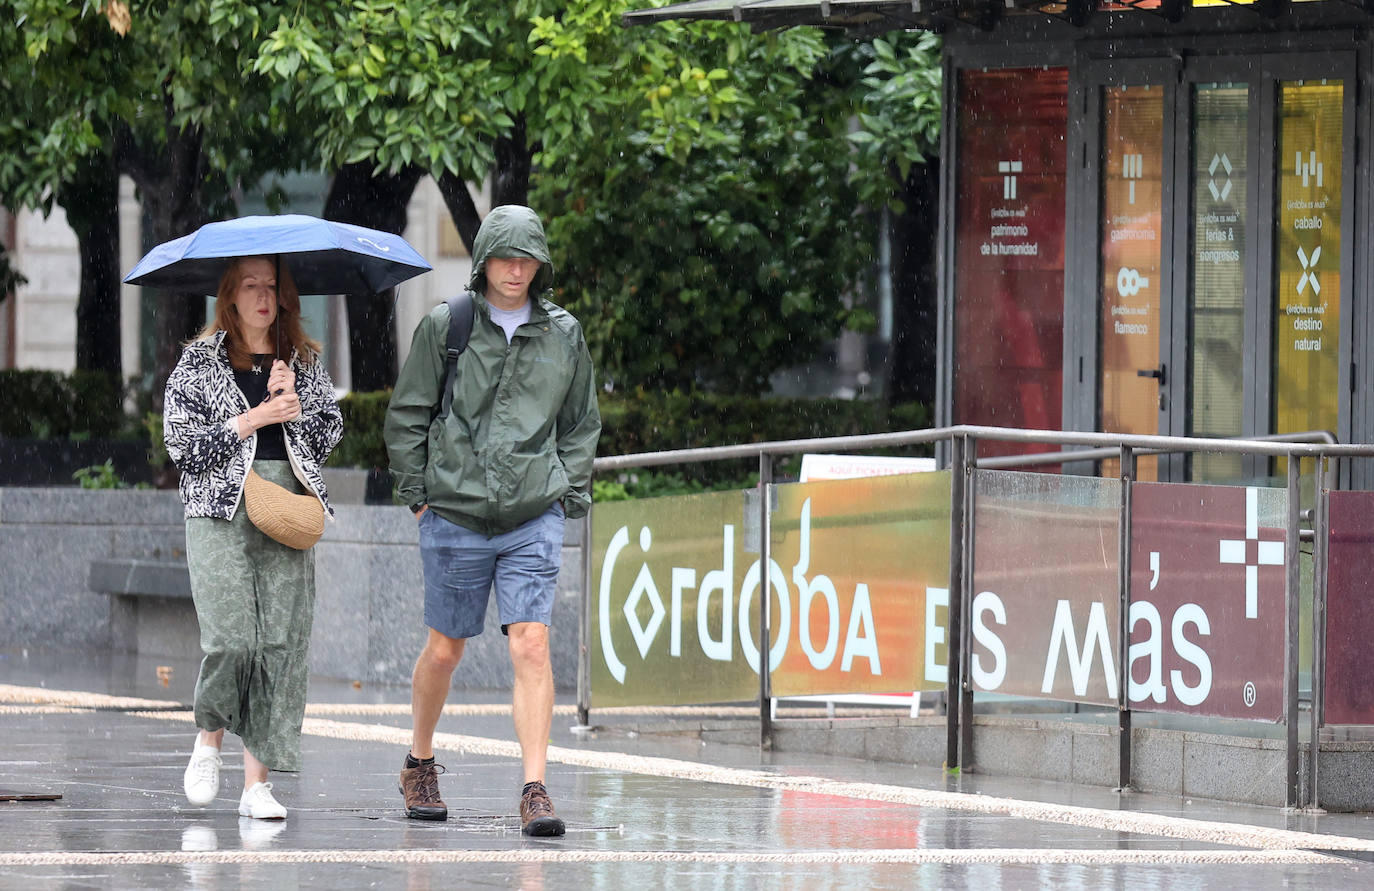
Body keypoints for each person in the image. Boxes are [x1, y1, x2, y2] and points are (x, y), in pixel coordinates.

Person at [384, 205, 600, 836]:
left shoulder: (564, 334)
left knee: (530, 642)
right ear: (483, 262)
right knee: (445, 649)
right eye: (504, 258)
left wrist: (567, 495)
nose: (515, 270)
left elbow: (581, 423)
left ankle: (535, 786)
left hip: (534, 511)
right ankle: (419, 760)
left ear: (541, 265)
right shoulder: (446, 325)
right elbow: (408, 415)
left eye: (527, 258)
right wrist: (419, 496)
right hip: (453, 512)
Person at [163, 255, 342, 820]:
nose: (263, 296)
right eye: (250, 286)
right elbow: (181, 448)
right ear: (230, 297)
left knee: (278, 646)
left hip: (285, 503)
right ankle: (208, 736)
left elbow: (328, 435)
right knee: (231, 638)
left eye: (272, 286)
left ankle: (256, 785)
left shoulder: (302, 364)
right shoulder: (197, 364)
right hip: (219, 507)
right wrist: (253, 419)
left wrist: (295, 405)